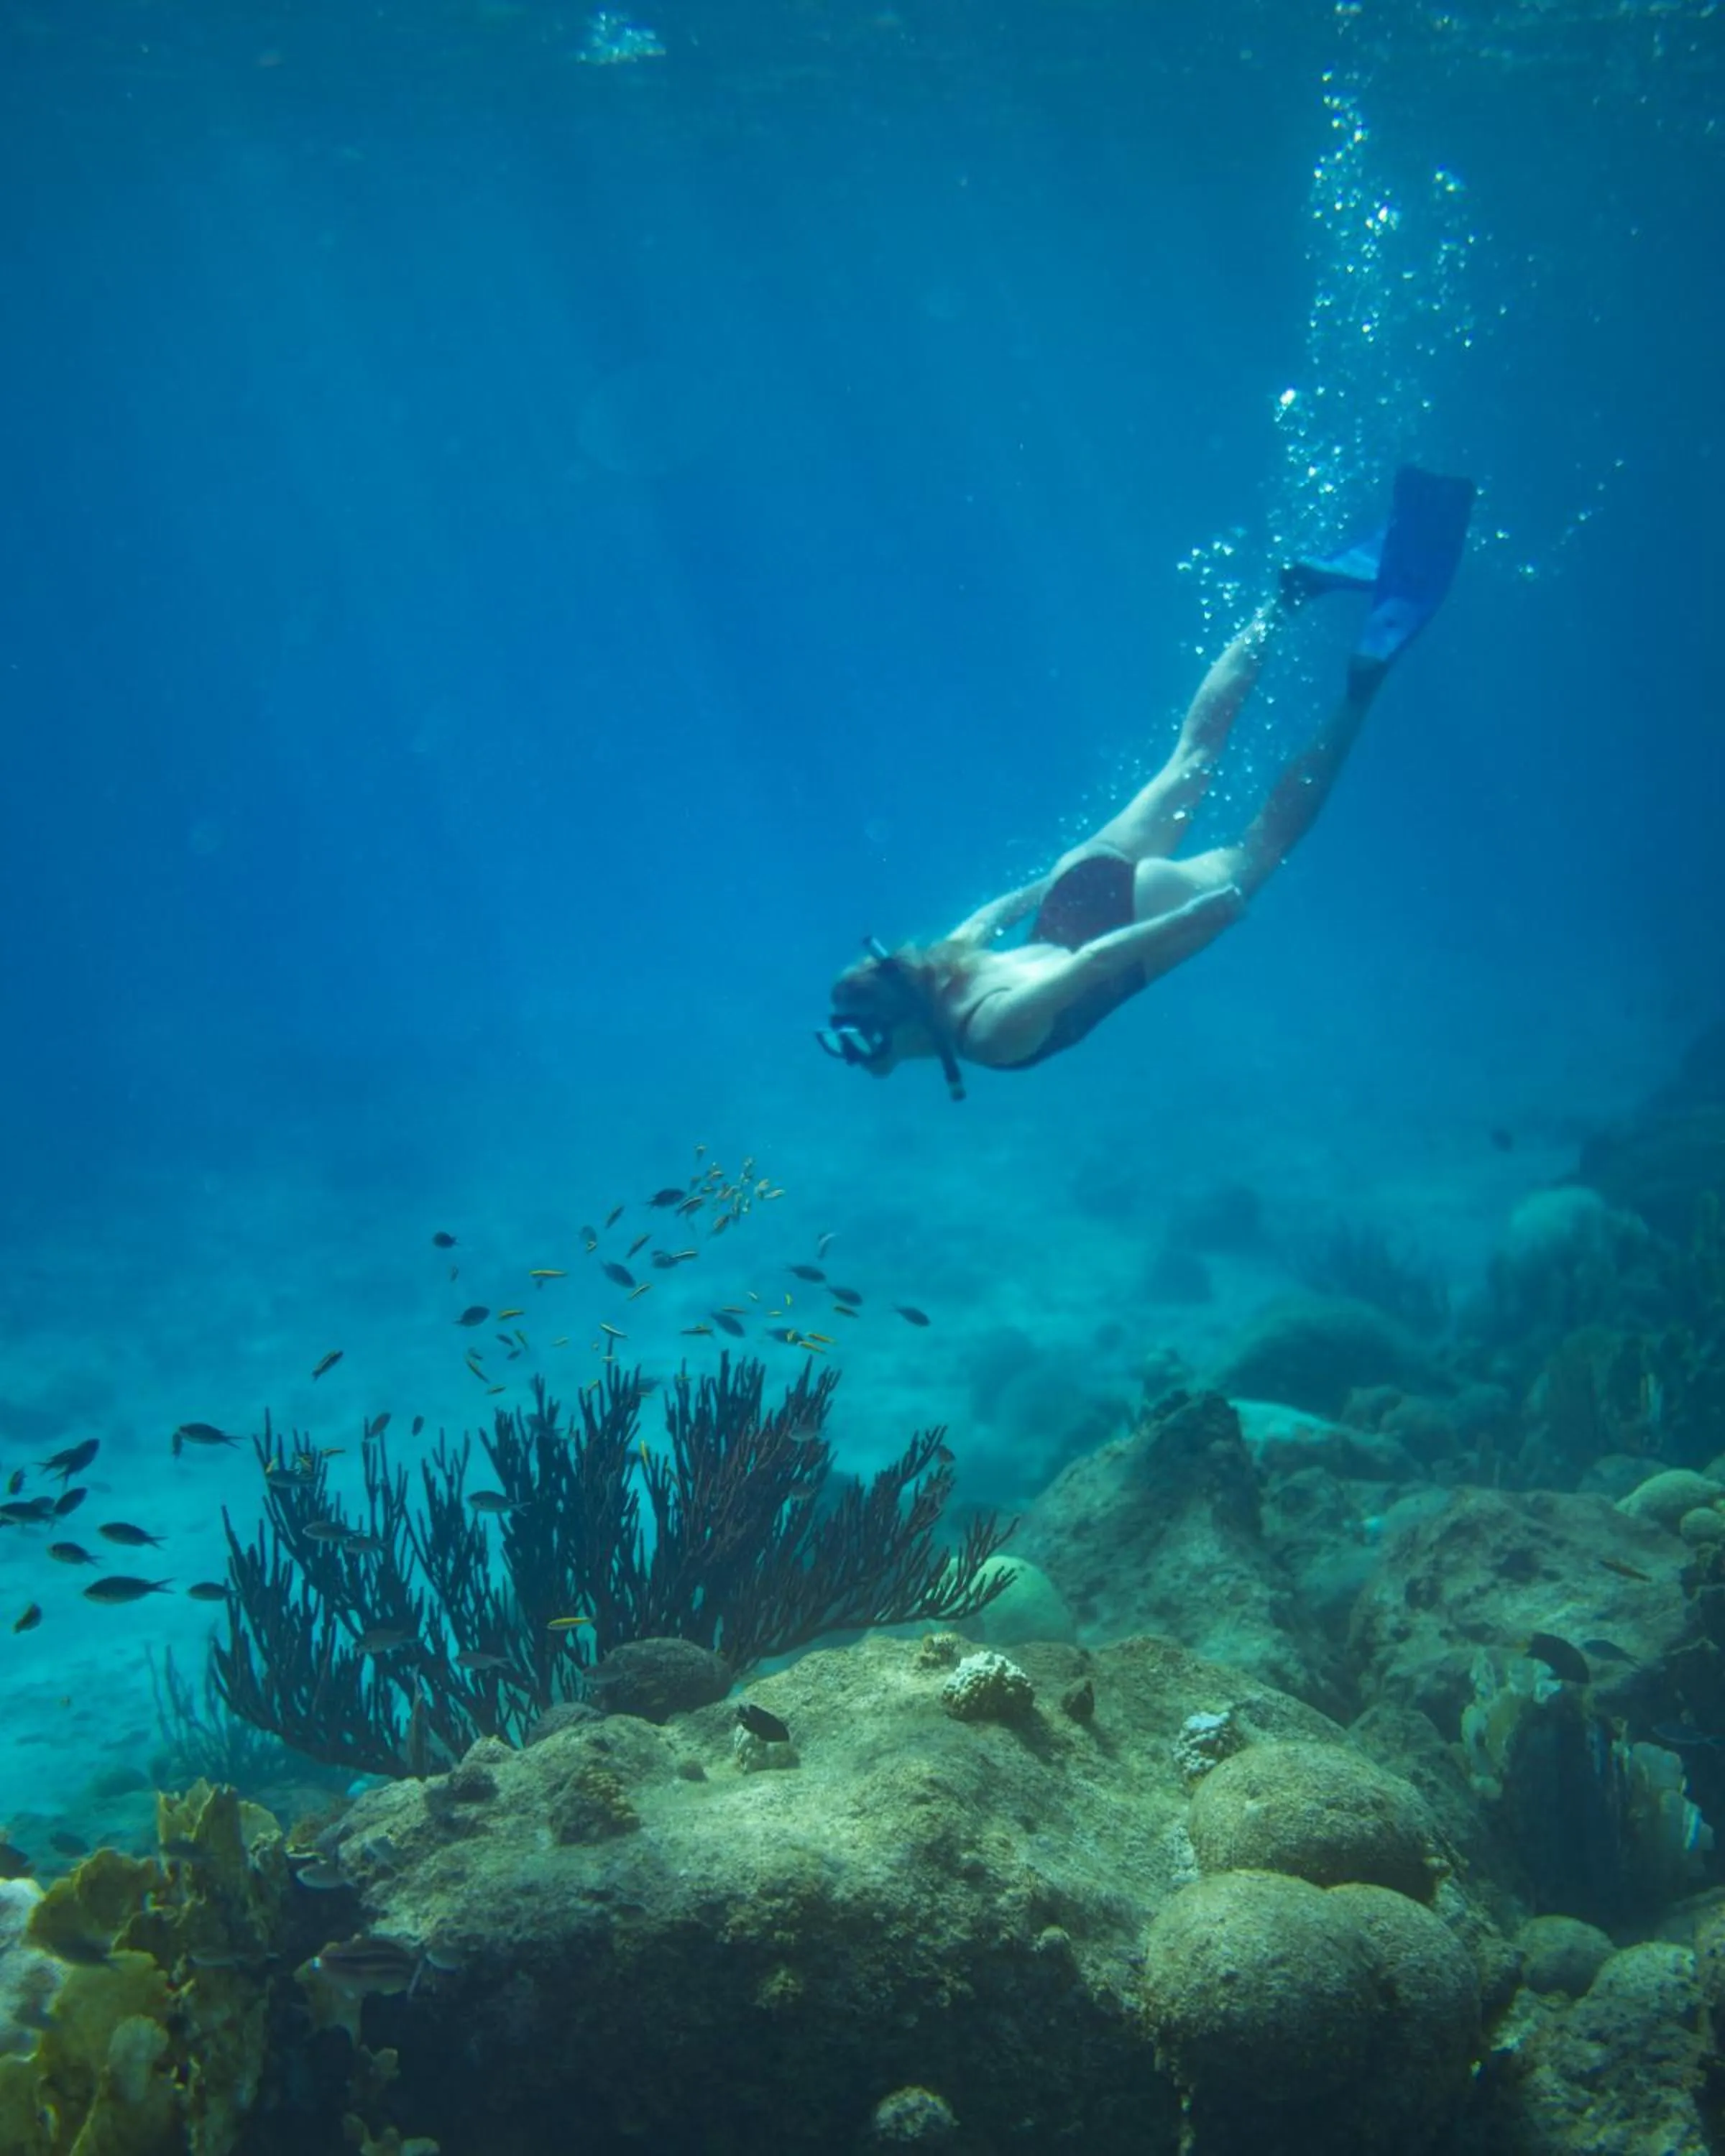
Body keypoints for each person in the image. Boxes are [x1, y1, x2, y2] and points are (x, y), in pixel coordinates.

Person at [817, 466, 1476, 1102]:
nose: (869, 1062)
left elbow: (1092, 966)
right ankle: (1286, 600)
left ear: (896, 1029)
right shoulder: (946, 959)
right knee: (1190, 753)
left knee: (1262, 848)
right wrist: (1046, 884)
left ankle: (1362, 689)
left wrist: (1193, 918)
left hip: (1132, 922)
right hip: (1075, 887)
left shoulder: (983, 1035)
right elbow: (992, 915)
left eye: (866, 1050)